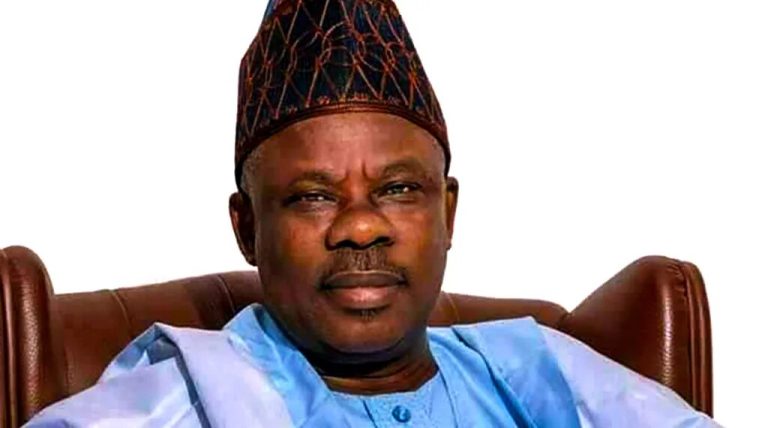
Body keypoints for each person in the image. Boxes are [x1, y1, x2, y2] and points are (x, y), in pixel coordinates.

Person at [26, 0, 720, 426]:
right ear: (247, 228)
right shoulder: (176, 404)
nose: (361, 225)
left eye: (398, 189)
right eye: (313, 195)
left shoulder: (545, 372)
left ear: (448, 212)